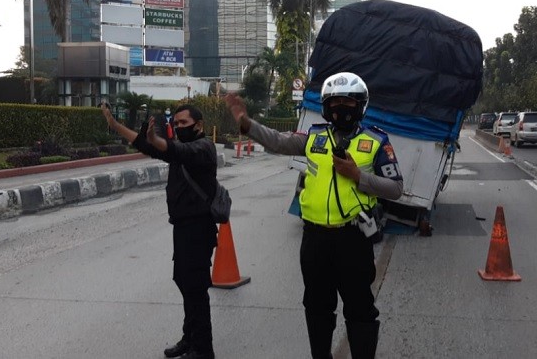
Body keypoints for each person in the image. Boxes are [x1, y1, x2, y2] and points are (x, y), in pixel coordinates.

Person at [225, 72, 403, 359]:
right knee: (317, 308)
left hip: (354, 239)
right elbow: (279, 141)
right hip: (315, 240)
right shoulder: (313, 137)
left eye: (348, 102)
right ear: (325, 106)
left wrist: (358, 176)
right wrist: (247, 124)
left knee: (360, 309)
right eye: (334, 102)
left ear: (360, 105)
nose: (340, 108)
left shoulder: (376, 141)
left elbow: (396, 188)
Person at [101, 103, 218, 359]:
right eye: (176, 124)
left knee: (195, 288)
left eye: (184, 124)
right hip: (183, 229)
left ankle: (203, 349)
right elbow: (148, 146)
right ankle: (190, 338)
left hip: (199, 229)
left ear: (199, 125)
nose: (179, 128)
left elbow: (174, 148)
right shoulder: (180, 151)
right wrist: (117, 126)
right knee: (184, 282)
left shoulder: (204, 148)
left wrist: (156, 138)